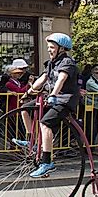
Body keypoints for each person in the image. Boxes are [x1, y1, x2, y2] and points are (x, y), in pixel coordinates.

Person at [16, 33, 80, 177]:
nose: (49, 50)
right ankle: (31, 141)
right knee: (25, 109)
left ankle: (47, 162)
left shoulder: (67, 62)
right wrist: (29, 92)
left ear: (62, 49)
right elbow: (43, 79)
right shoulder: (52, 63)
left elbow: (61, 79)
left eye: (52, 47)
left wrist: (53, 94)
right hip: (52, 99)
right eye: (49, 47)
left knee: (45, 124)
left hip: (64, 100)